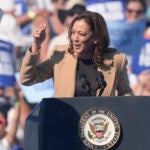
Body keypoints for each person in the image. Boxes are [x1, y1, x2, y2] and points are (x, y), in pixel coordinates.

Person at [19, 11, 134, 97]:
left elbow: (125, 93)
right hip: (67, 122)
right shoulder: (60, 55)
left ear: (96, 37)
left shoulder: (116, 59)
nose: (75, 38)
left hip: (99, 125)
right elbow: (27, 79)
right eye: (73, 32)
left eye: (81, 34)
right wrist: (36, 45)